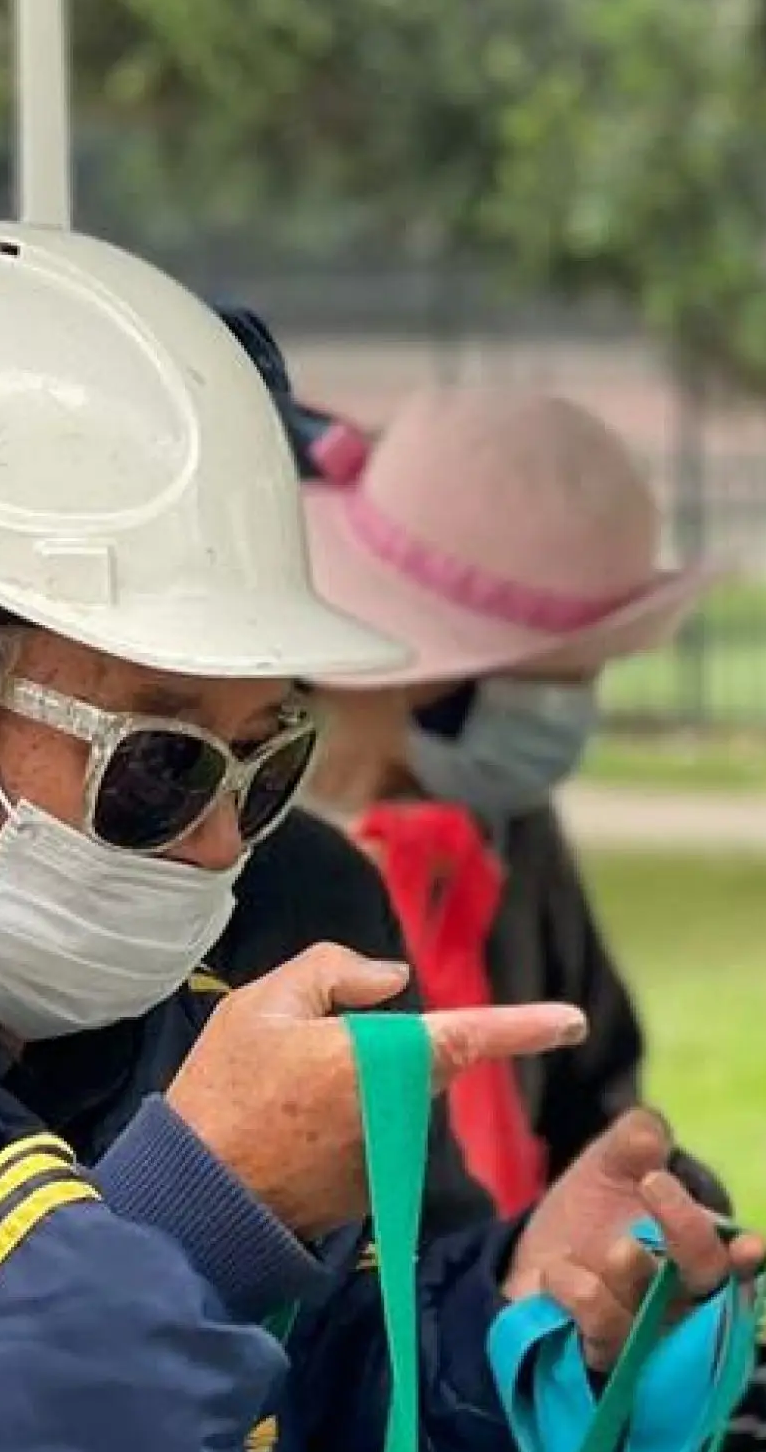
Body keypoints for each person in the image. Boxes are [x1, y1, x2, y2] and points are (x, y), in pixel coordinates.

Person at [0, 228, 757, 1452]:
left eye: (259, 776)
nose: (216, 856)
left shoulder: (136, 1044)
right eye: (151, 769)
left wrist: (509, 1337)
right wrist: (192, 1230)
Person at [214, 372, 715, 1217]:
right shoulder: (234, 852)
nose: (556, 724)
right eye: (522, 687)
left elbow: (592, 1083)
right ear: (413, 677)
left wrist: (644, 1204)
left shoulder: (510, 827)